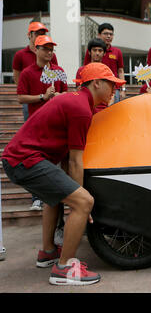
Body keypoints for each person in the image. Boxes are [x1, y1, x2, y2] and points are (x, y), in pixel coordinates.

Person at [2, 63, 125, 286]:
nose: (114, 90)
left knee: (56, 199)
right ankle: (65, 267)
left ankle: (48, 252)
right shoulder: (81, 109)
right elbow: (76, 162)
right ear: (96, 83)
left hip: (20, 159)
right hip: (25, 160)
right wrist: (79, 202)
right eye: (111, 84)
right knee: (83, 201)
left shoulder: (76, 100)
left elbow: (68, 159)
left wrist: (71, 194)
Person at [16, 35, 68, 211]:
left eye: (51, 48)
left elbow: (66, 94)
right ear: (35, 50)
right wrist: (42, 97)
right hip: (35, 126)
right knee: (35, 163)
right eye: (45, 48)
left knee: (56, 163)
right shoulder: (27, 73)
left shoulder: (58, 71)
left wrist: (56, 96)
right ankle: (37, 198)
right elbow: (21, 98)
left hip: (56, 125)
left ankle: (60, 197)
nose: (49, 52)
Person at [12, 21, 58, 121]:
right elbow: (16, 76)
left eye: (43, 33)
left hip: (49, 97)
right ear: (29, 35)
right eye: (37, 33)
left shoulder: (51, 55)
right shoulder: (20, 55)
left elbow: (54, 74)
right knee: (30, 126)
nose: (40, 36)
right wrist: (25, 92)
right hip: (30, 99)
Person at [83, 23, 126, 102]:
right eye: (105, 34)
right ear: (99, 35)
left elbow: (120, 71)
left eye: (111, 34)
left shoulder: (117, 52)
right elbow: (86, 68)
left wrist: (122, 89)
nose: (109, 36)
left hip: (114, 89)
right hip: (95, 88)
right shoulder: (91, 51)